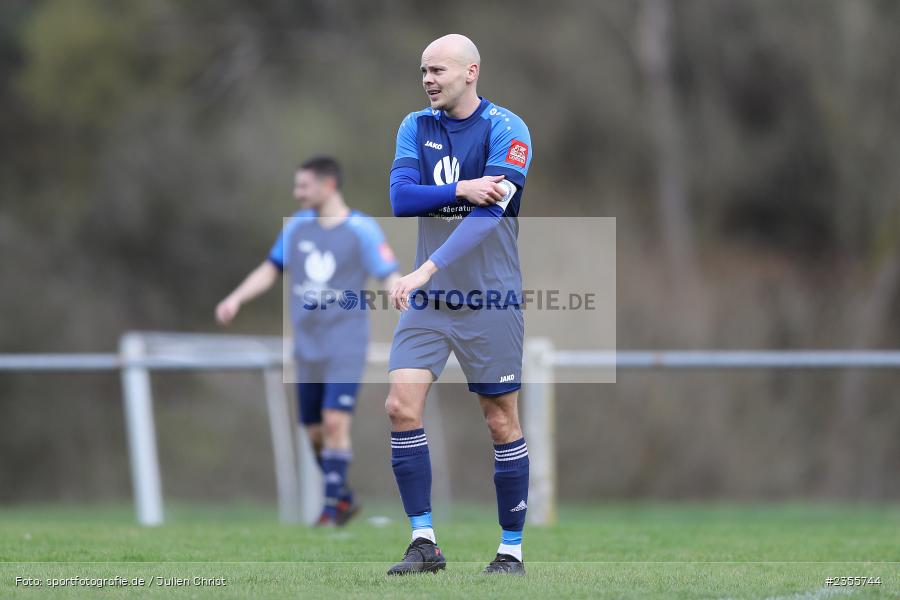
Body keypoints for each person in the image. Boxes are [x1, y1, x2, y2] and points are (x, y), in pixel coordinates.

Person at [384, 34, 533, 575]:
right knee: (400, 405)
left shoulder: (507, 129)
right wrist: (461, 188)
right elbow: (401, 199)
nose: (428, 79)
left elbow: (490, 215)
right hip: (431, 303)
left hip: (490, 298)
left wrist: (426, 267)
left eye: (438, 70)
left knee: (500, 421)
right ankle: (424, 544)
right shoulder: (414, 127)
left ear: (471, 72)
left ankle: (510, 550)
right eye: (423, 69)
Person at [215, 156, 399, 526]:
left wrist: (404, 297)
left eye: (304, 185)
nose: (297, 192)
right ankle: (344, 497)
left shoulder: (361, 229)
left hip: (346, 341)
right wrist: (236, 297)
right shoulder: (297, 228)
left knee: (335, 424)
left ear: (328, 186)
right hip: (307, 344)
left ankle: (331, 511)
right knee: (315, 431)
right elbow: (270, 269)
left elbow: (388, 275)